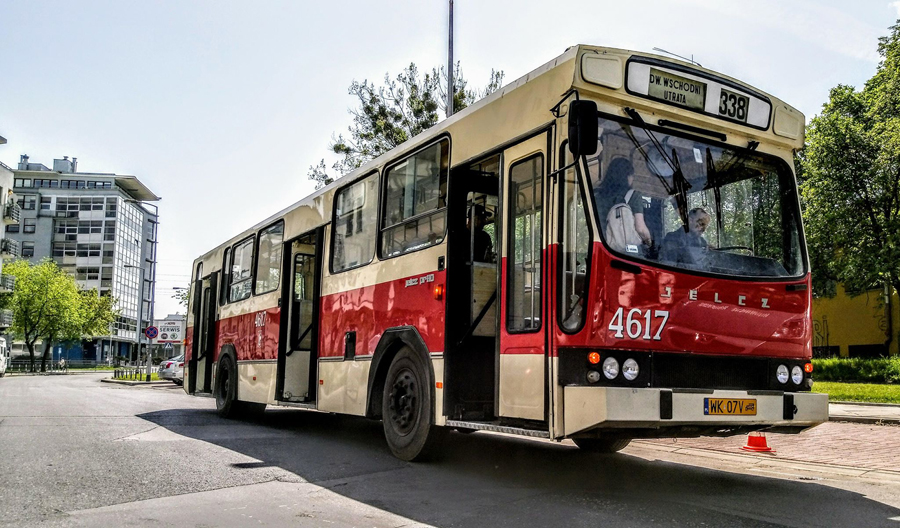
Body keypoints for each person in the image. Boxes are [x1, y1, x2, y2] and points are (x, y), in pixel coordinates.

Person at [594, 158, 652, 250]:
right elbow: (640, 228)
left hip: (599, 247)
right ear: (628, 176)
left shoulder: (596, 195)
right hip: (621, 252)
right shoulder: (633, 195)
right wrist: (651, 244)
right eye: (632, 176)